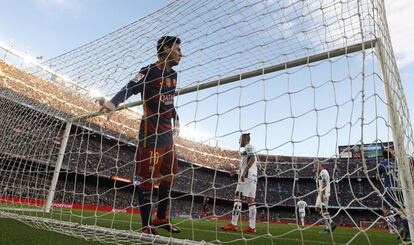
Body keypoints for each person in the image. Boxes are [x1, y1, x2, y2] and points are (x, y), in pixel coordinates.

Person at [99, 36, 182, 235]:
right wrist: (113, 103)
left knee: (170, 174)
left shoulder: (174, 75)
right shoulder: (148, 71)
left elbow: (168, 103)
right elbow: (130, 86)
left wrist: (176, 118)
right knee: (146, 178)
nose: (181, 53)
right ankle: (146, 225)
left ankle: (161, 217)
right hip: (150, 134)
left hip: (167, 135)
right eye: (178, 49)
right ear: (166, 49)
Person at [221, 133, 258, 234]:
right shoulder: (247, 150)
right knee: (251, 201)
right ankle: (252, 227)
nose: (238, 141)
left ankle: (233, 224)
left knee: (237, 198)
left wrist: (244, 172)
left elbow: (253, 158)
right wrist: (237, 172)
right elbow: (250, 161)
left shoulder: (249, 146)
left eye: (240, 139)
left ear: (245, 139)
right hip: (253, 177)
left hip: (247, 176)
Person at [314, 161, 336, 233]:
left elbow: (324, 184)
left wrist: (322, 195)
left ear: (319, 165)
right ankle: (329, 224)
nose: (315, 170)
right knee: (318, 209)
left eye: (315, 167)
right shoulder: (320, 173)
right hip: (321, 192)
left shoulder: (323, 172)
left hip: (324, 193)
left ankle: (330, 224)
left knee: (322, 209)